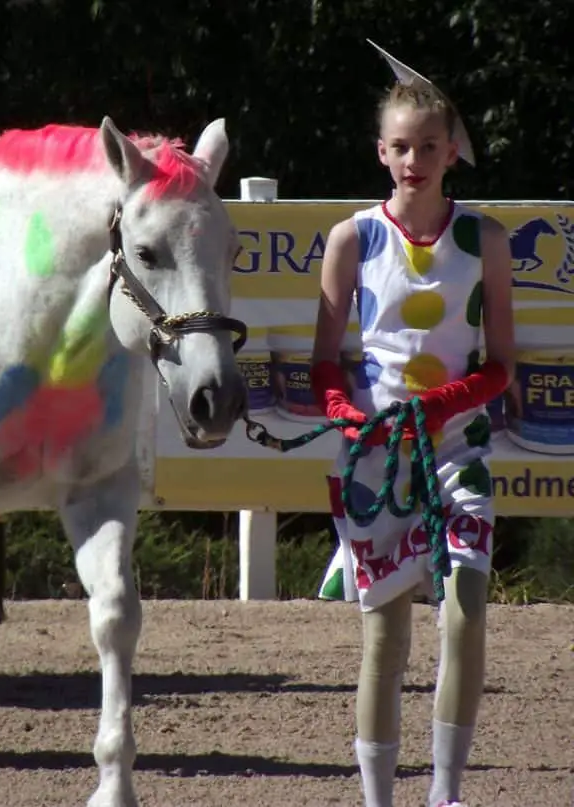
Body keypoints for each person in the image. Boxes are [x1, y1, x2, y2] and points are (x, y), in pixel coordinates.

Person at [310, 41, 514, 807]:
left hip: (460, 449)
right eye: (401, 147)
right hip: (376, 461)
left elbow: (500, 366)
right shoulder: (352, 239)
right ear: (381, 152)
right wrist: (343, 412)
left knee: (464, 617)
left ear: (450, 152)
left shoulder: (484, 240)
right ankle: (378, 799)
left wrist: (441, 405)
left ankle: (446, 793)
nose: (414, 160)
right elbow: (325, 363)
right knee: (385, 637)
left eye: (429, 146)